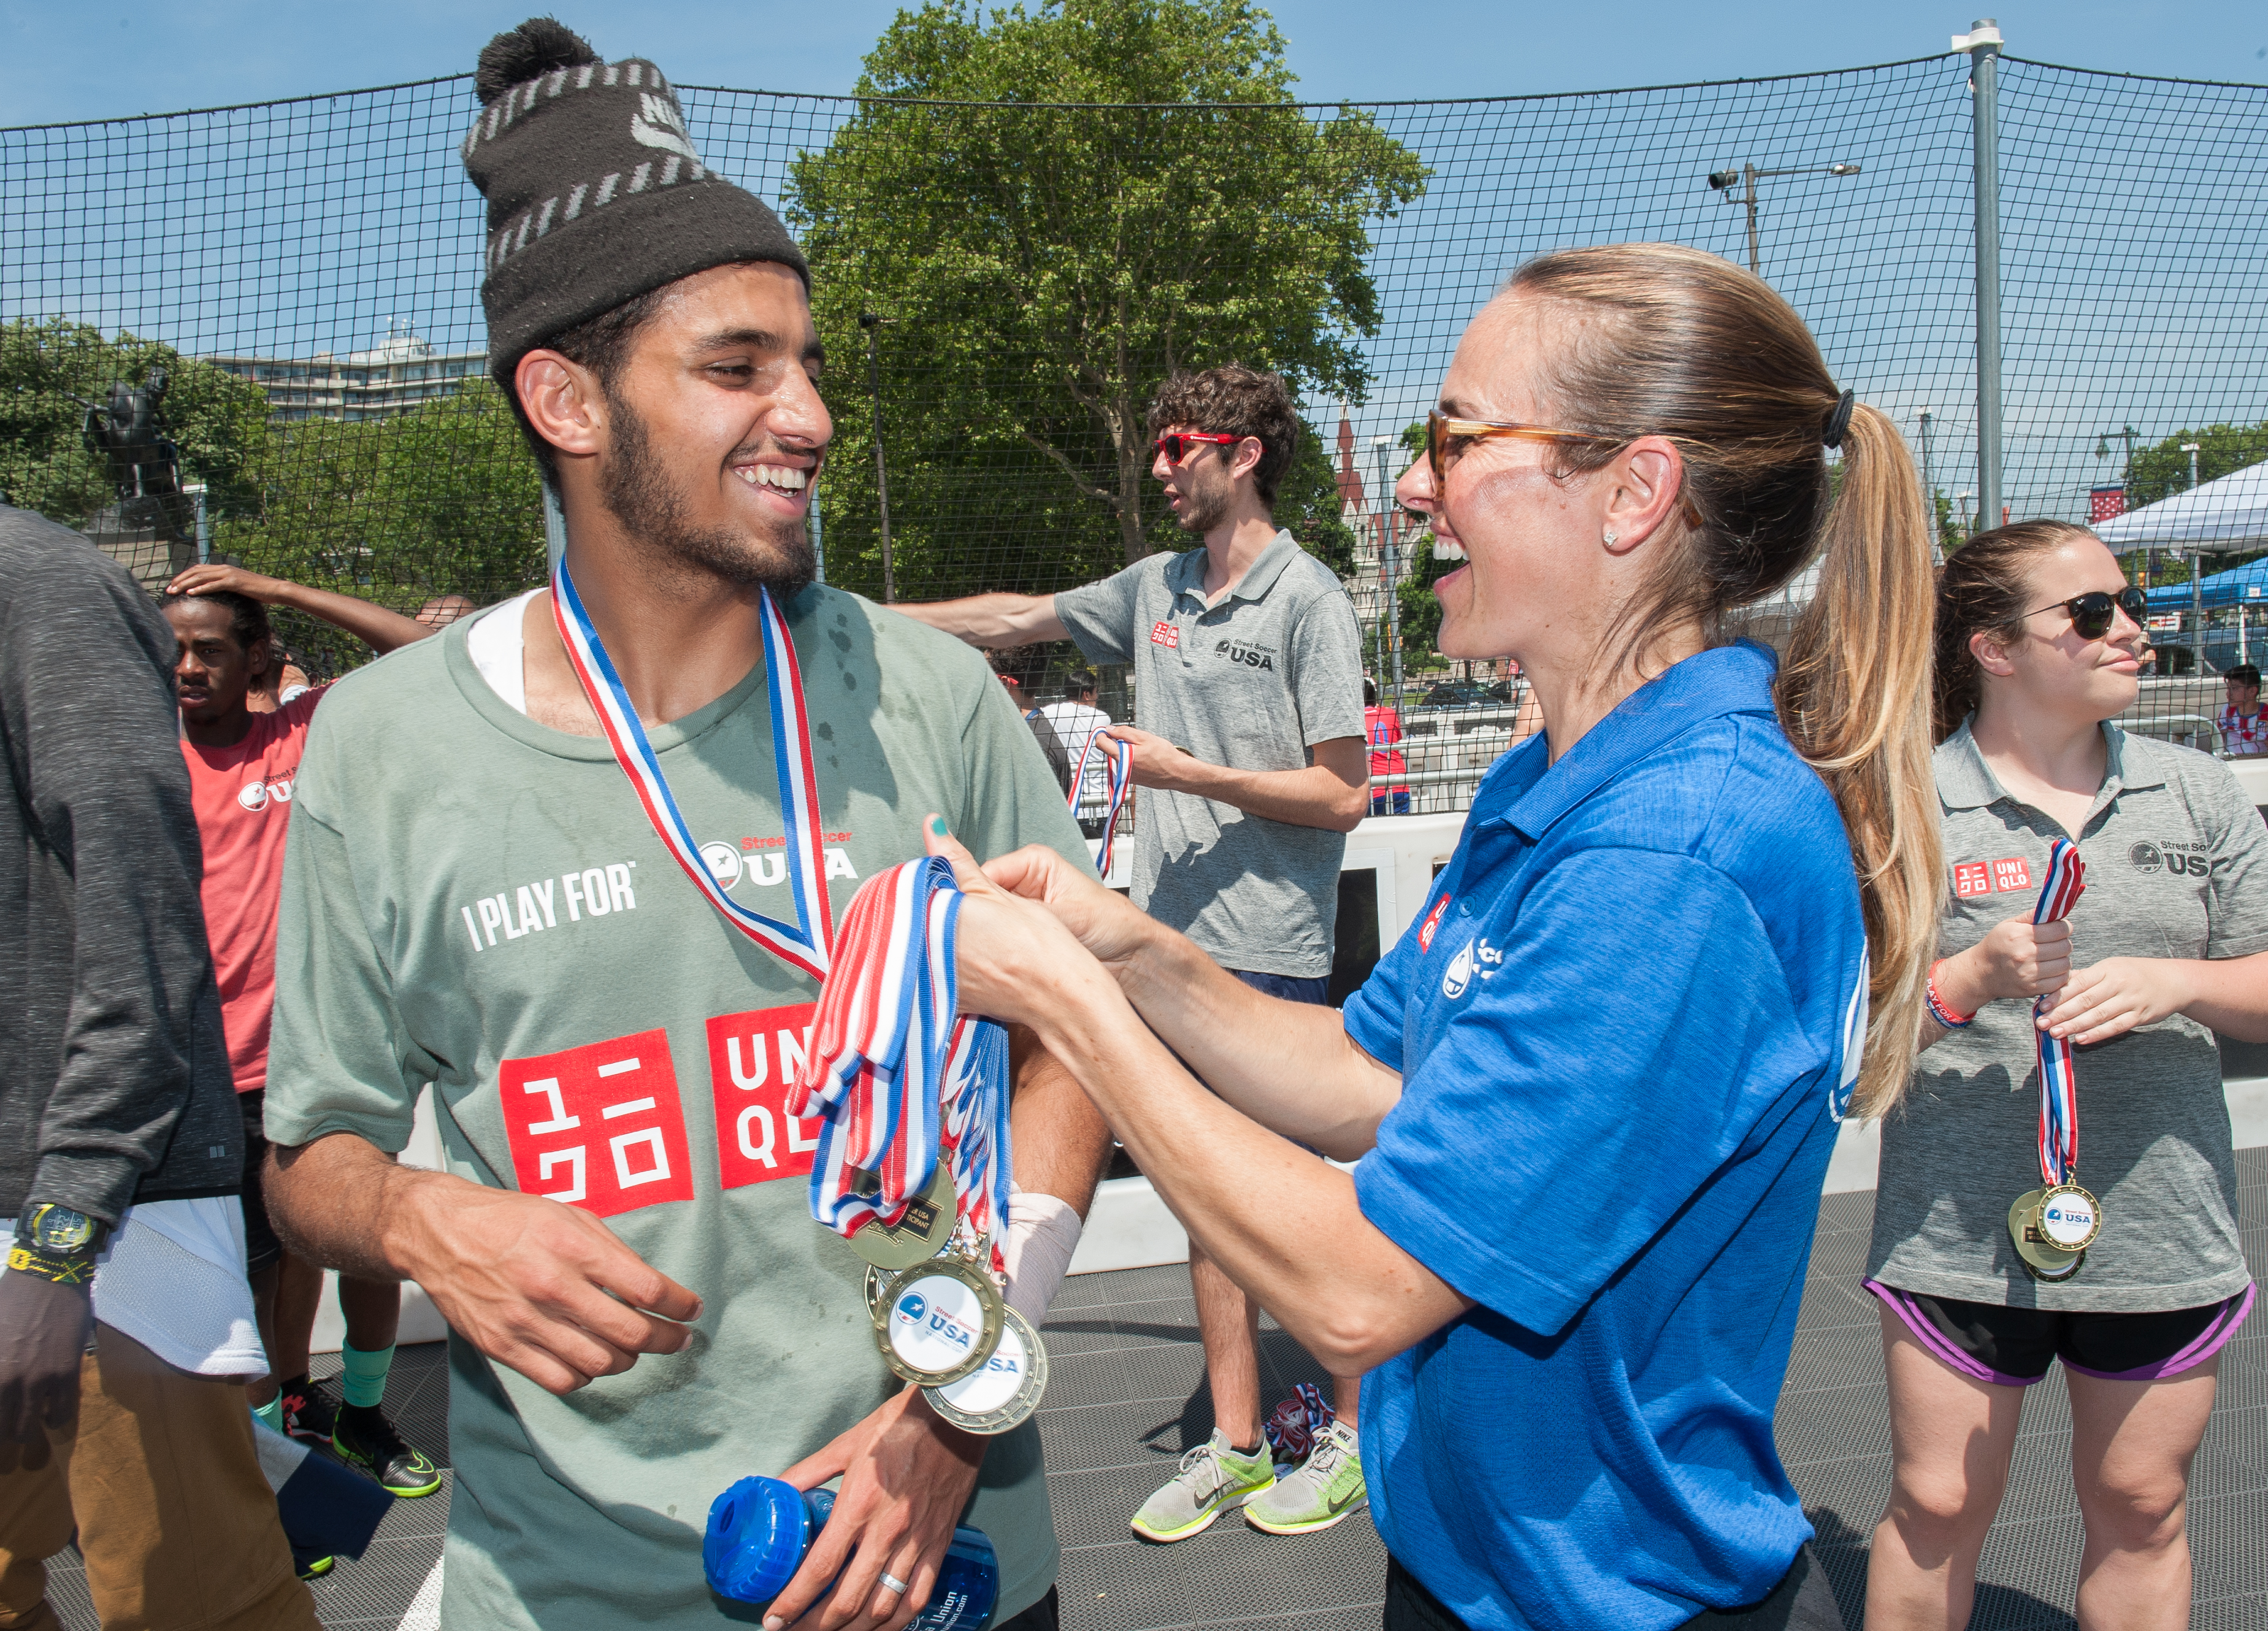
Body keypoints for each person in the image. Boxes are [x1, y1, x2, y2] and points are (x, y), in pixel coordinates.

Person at [925, 242, 1945, 1629]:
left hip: (1609, 1601)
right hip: (1480, 1568)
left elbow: (1359, 1289)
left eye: (1459, 437)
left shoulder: (1679, 848)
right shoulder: (1554, 780)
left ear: (1635, 490)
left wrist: (1073, 1010)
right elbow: (1358, 1071)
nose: (1412, 483)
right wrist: (1124, 947)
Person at [256, 21, 1108, 1630]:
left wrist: (961, 1400)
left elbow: (1075, 1040)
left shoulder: (931, 697)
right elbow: (314, 1151)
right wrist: (420, 1215)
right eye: (736, 368)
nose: (810, 414)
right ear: (568, 399)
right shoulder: (383, 749)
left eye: (807, 362)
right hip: (575, 1584)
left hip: (948, 1560)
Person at [895, 363, 1371, 1542]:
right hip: (1162, 940)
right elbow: (1011, 614)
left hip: (1268, 947)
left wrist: (1183, 771)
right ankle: (1240, 1444)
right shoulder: (1154, 585)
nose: (1158, 467)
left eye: (1176, 448)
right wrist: (840, 615)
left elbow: (1342, 793)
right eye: (1155, 448)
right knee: (1202, 1202)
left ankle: (1356, 1432)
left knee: (1318, 1199)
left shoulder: (1308, 598)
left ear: (1244, 453)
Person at [1863, 521, 2268, 1631]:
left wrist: (2174, 981)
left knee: (2140, 1502)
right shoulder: (1906, 803)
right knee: (1936, 1500)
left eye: (2125, 604)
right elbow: (1844, 1042)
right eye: (2089, 612)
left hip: (2161, 1226)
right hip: (1952, 1227)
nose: (2127, 629)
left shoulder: (2194, 792)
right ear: (1993, 648)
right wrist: (1964, 976)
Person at [0, 502, 319, 1630]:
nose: (190, 666)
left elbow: (138, 929)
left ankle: (329, 1415)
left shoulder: (36, 586)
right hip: (83, 1203)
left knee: (198, 1600)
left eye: (211, 649)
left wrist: (59, 1240)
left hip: (101, 1214)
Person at [161, 561, 441, 1498]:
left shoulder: (303, 733)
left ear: (256, 658)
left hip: (331, 1054)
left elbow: (424, 649)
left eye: (209, 647)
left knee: (366, 1240)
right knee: (250, 1277)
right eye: (176, 650)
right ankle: (278, 1465)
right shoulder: (148, 757)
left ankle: (359, 1412)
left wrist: (277, 586)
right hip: (214, 1072)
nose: (189, 665)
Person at [1041, 670, 1114, 839]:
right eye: (1096, 693)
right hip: (1101, 801)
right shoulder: (1103, 718)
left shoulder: (1048, 714)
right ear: (1087, 694)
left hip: (1069, 801)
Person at [1363, 677, 1409, 815]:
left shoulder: (1354, 720)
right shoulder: (1389, 713)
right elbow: (1397, 737)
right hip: (1399, 784)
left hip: (1373, 790)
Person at [2218, 661, 2262, 755]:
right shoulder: (2226, 711)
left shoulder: (2265, 714)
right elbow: (2218, 739)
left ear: (2252, 691)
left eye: (2235, 688)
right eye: (2228, 688)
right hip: (2231, 762)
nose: (2228, 693)